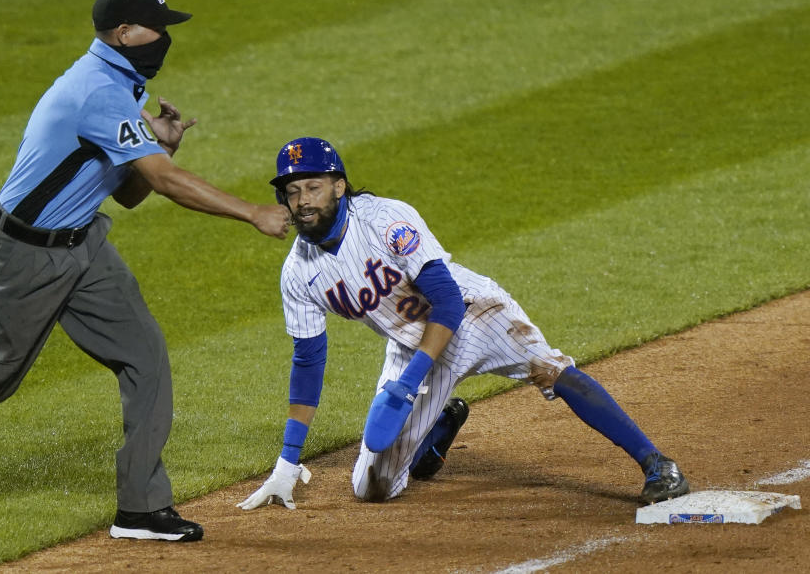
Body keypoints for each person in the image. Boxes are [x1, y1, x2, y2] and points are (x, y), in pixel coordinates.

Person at [0, 0, 290, 543]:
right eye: (156, 29)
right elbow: (160, 184)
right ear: (123, 33)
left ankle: (139, 508)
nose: (164, 39)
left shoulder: (120, 85)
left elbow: (129, 192)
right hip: (23, 252)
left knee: (145, 357)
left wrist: (158, 144)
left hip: (83, 247)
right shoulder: (97, 91)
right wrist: (252, 212)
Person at [237, 136, 689, 510]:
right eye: (292, 193)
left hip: (474, 314)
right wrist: (287, 462)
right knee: (371, 488)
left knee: (550, 369)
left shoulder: (386, 219)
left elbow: (447, 302)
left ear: (339, 186)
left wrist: (408, 384)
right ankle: (437, 432)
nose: (302, 202)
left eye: (312, 187)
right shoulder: (298, 273)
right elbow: (308, 362)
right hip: (412, 346)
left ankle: (656, 463)